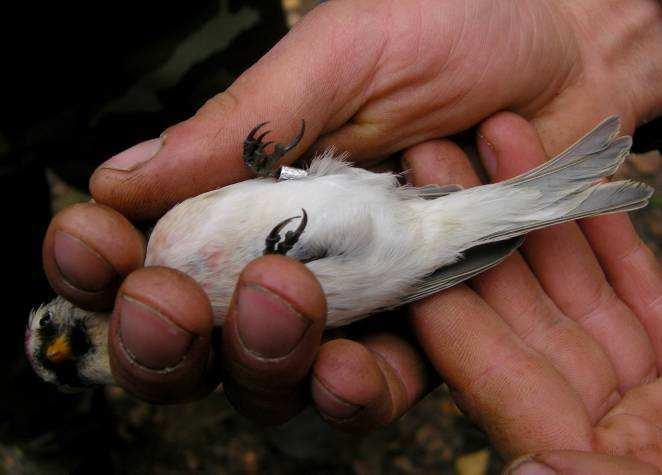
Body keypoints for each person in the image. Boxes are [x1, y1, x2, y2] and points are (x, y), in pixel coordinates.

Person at [42, 0, 662, 472]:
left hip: (374, 205)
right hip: (395, 259)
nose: (68, 343)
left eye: (50, 328)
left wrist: (276, 174)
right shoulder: (198, 332)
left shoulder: (160, 243)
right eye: (70, 367)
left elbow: (317, 186)